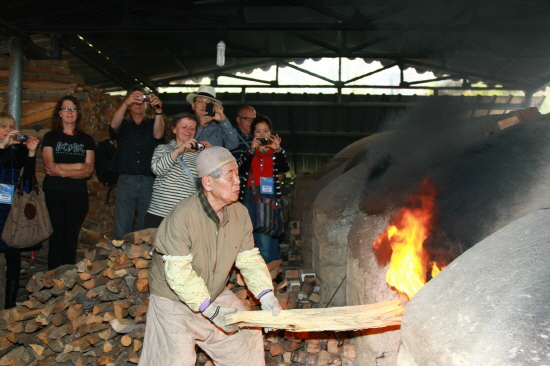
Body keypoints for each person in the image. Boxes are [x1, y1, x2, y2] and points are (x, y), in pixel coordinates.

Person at [139, 146, 281, 366]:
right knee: (176, 361)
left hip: (213, 291)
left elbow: (249, 259)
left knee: (246, 336)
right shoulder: (182, 216)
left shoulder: (239, 213)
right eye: (229, 175)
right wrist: (210, 311)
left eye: (237, 173)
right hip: (173, 298)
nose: (238, 181)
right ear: (207, 182)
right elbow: (179, 274)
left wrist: (266, 295)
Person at [42, 96, 96, 270]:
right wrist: (78, 167)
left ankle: (66, 279)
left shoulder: (86, 140)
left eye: (73, 108)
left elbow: (88, 170)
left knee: (71, 237)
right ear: (59, 113)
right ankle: (52, 279)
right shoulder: (50, 137)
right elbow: (49, 166)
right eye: (66, 109)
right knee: (57, 236)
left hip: (77, 194)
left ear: (78, 113)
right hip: (54, 192)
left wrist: (62, 172)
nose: (70, 112)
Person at [110, 87, 165, 239]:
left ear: (147, 103)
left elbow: (159, 135)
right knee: (122, 227)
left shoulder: (153, 123)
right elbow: (113, 125)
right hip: (126, 181)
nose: (138, 102)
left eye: (142, 99)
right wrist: (125, 103)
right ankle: (120, 260)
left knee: (145, 229)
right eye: (135, 99)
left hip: (149, 182)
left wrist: (159, 110)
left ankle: (143, 260)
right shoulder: (124, 125)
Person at [144, 112, 211, 229]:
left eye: (192, 128)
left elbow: (208, 182)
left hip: (185, 216)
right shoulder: (163, 149)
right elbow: (157, 169)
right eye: (184, 127)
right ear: (174, 129)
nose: (188, 131)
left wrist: (210, 154)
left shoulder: (199, 155)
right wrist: (179, 150)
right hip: (159, 213)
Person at [237, 115, 290, 263]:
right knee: (258, 235)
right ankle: (266, 273)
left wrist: (278, 149)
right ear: (253, 133)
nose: (262, 135)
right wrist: (251, 151)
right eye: (258, 131)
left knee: (271, 234)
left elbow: (285, 167)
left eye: (265, 131)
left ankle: (271, 271)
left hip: (270, 196)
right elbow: (240, 168)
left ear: (271, 133)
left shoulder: (275, 153)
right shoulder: (248, 152)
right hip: (251, 196)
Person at [0, 113, 39, 308]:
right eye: (4, 126)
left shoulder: (18, 151)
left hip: (13, 208)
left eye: (11, 126)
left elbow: (28, 176)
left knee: (13, 256)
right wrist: (2, 146)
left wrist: (31, 153)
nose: (8, 130)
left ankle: (9, 304)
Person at [187, 85, 239, 150]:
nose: (204, 105)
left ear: (214, 107)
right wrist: (200, 126)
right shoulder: (185, 126)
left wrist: (223, 120)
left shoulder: (219, 128)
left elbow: (233, 145)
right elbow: (184, 145)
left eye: (208, 102)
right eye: (200, 101)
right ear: (193, 105)